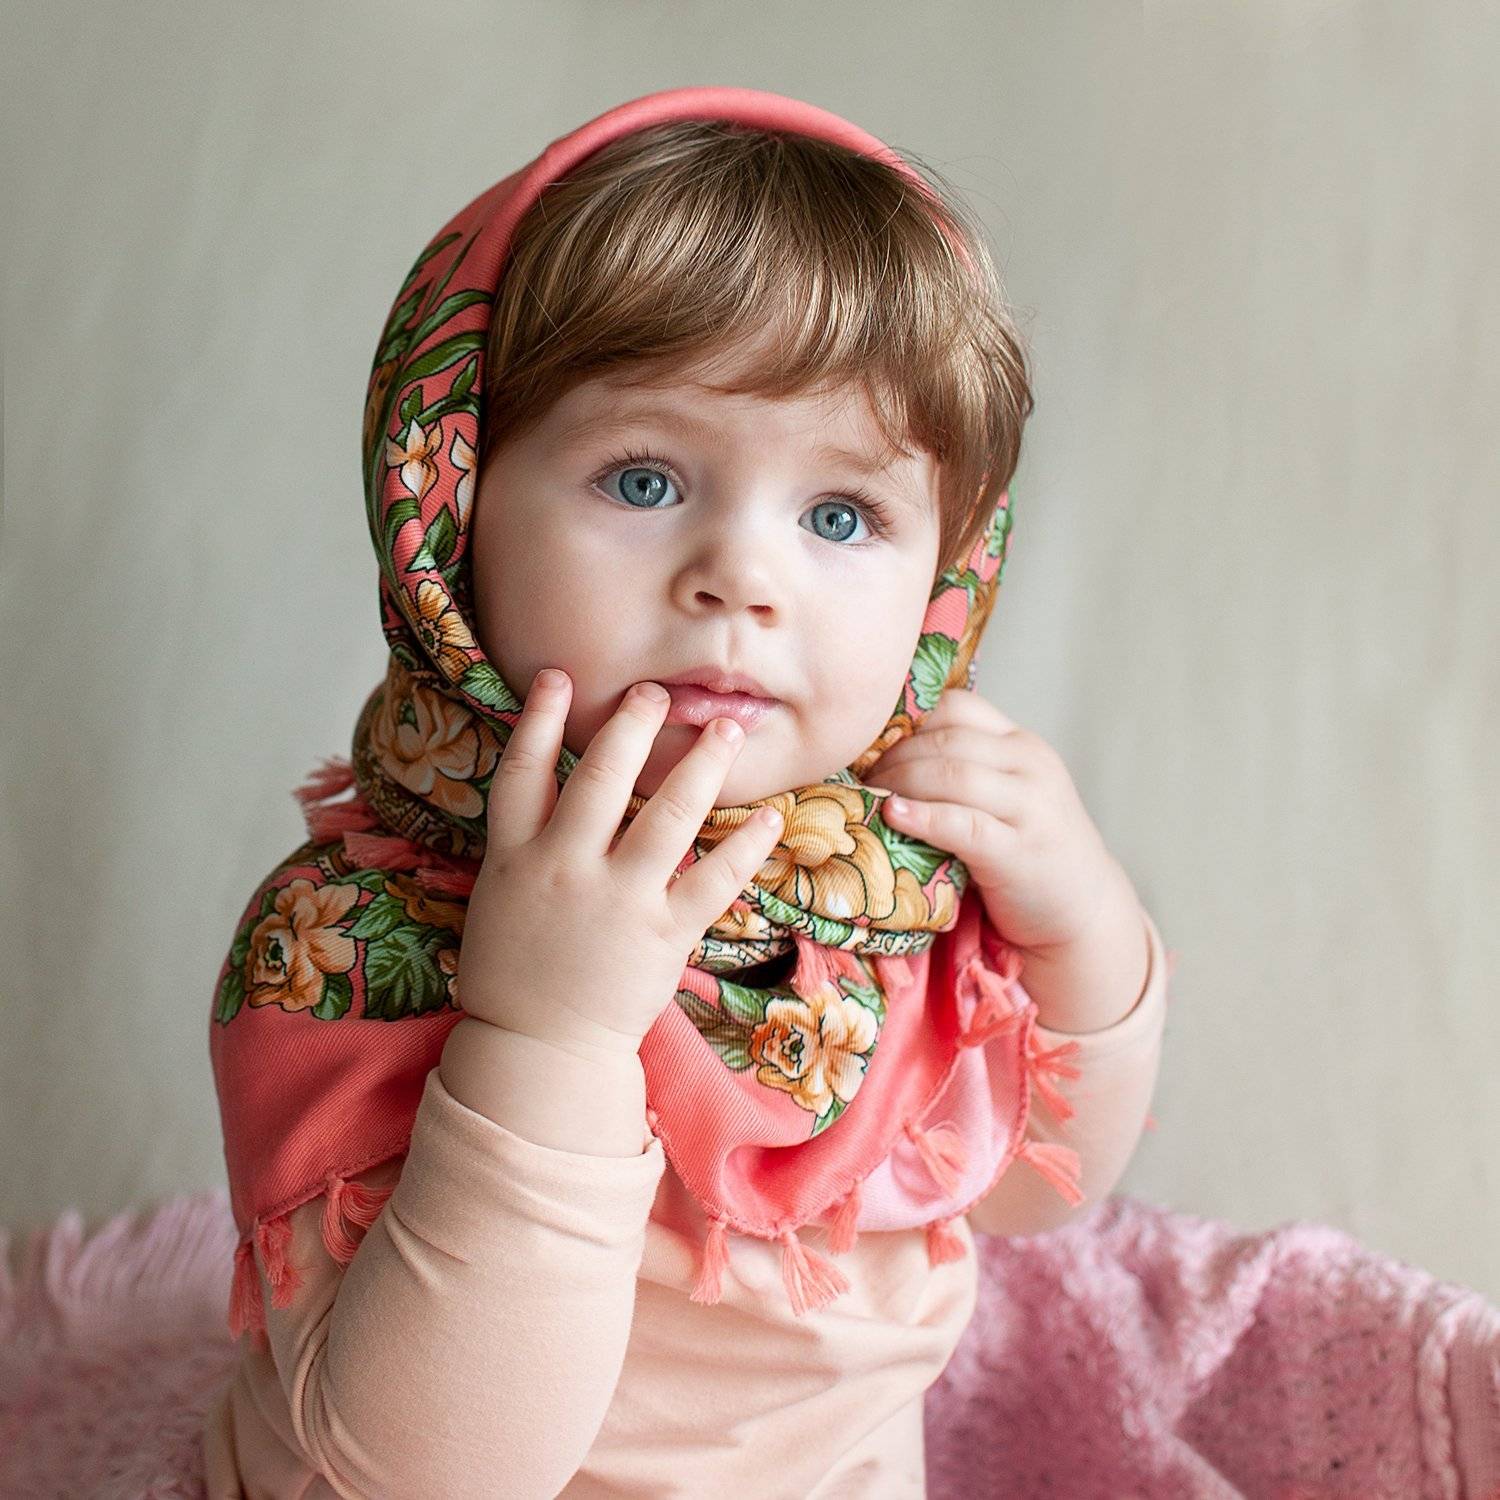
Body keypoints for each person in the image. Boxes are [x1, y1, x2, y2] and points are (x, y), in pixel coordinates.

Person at [201, 85, 1169, 1498]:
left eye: (841, 514)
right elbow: (424, 1470)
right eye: (645, 480)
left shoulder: (893, 879)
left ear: (947, 571)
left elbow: (1032, 1190)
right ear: (450, 513)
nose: (744, 577)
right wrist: (546, 1037)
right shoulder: (357, 938)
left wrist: (1084, 933)